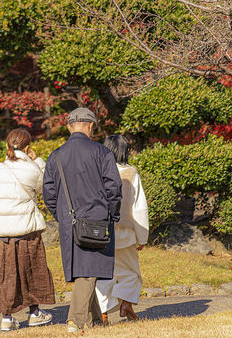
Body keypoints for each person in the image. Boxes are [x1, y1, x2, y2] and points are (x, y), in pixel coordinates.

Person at [43, 108, 122, 336]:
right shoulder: (101, 152)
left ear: (69, 126)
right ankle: (75, 321)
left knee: (86, 268)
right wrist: (112, 214)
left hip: (69, 222)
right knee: (88, 271)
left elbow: (48, 192)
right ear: (91, 126)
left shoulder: (55, 155)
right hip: (97, 219)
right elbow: (113, 188)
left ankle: (97, 321)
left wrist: (61, 217)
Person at [0, 127, 55, 331]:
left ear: (7, 146)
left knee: (4, 273)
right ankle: (34, 313)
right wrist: (37, 160)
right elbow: (44, 187)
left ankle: (6, 317)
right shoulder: (32, 169)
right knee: (31, 269)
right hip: (25, 230)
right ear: (27, 147)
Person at [95, 135, 148, 324]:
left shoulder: (97, 172)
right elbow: (139, 207)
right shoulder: (131, 173)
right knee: (131, 272)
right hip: (126, 232)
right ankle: (126, 302)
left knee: (104, 273)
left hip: (100, 232)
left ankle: (103, 312)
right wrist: (142, 237)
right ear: (125, 151)